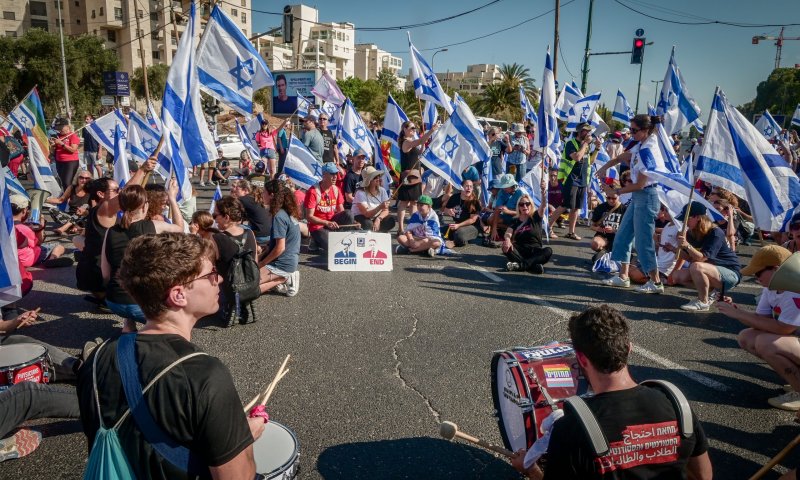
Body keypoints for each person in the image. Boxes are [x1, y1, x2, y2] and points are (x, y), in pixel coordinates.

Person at [78, 233, 264, 480]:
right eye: (210, 274)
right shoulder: (204, 376)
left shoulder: (97, 357)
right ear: (179, 295)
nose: (219, 279)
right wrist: (243, 437)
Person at [511, 305, 712, 480]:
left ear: (582, 359)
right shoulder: (676, 404)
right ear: (629, 348)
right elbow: (703, 476)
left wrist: (531, 470)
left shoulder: (570, 428)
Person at [718, 246, 800, 411]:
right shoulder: (770, 288)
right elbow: (761, 320)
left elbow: (784, 329)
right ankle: (796, 379)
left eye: (758, 273)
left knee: (766, 343)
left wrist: (739, 314)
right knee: (746, 337)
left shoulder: (794, 292)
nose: (756, 278)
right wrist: (736, 310)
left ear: (776, 269)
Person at [596, 115, 667, 294]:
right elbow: (623, 156)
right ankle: (623, 277)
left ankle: (656, 282)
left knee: (643, 242)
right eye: (631, 129)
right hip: (639, 196)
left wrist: (616, 191)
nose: (631, 133)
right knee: (623, 235)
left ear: (646, 130)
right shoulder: (642, 144)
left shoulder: (647, 150)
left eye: (634, 130)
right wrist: (605, 166)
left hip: (647, 196)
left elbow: (641, 184)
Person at [101, 183, 184, 331]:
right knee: (175, 321)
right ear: (144, 206)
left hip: (114, 302)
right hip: (142, 306)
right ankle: (150, 335)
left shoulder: (110, 231)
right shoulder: (155, 226)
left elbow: (105, 274)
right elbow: (180, 230)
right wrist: (172, 198)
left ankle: (128, 326)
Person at [669, 201, 741, 311]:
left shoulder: (715, 232)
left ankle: (703, 301)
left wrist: (687, 246)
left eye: (686, 219)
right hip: (712, 270)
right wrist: (674, 249)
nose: (684, 222)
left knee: (696, 266)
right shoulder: (691, 233)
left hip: (729, 272)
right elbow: (690, 258)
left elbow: (701, 258)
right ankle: (714, 293)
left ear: (697, 217)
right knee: (678, 276)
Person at [211, 196, 258, 325]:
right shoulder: (250, 233)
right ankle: (243, 301)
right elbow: (255, 260)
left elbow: (211, 266)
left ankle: (227, 303)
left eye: (215, 215)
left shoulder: (216, 238)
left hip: (229, 286)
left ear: (226, 217)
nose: (214, 219)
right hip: (251, 281)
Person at [550, 123, 594, 240]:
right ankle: (548, 227)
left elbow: (590, 161)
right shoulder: (571, 143)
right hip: (571, 179)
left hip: (583, 179)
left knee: (576, 207)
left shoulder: (585, 145)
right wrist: (585, 144)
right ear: (579, 132)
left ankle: (571, 232)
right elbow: (577, 157)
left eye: (589, 131)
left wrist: (597, 148)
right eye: (586, 131)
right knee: (565, 205)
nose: (588, 133)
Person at [258, 180, 301, 296]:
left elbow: (280, 248)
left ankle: (284, 278)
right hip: (289, 260)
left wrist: (262, 263)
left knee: (247, 288)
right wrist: (261, 256)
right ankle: (278, 279)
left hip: (282, 263)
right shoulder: (287, 211)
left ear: (272, 195)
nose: (262, 194)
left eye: (264, 192)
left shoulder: (279, 216)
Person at [11, 194, 73, 269]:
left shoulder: (5, 226)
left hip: (11, 258)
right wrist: (40, 228)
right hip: (27, 259)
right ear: (24, 211)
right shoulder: (25, 229)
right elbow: (38, 242)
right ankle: (52, 259)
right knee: (59, 246)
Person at [397, 120, 438, 232]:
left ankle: (413, 226)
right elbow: (420, 141)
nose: (414, 130)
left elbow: (419, 152)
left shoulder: (411, 142)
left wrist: (423, 145)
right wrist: (431, 131)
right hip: (408, 176)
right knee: (404, 202)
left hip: (415, 175)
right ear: (405, 129)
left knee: (414, 202)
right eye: (412, 128)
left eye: (415, 128)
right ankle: (400, 228)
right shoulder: (405, 142)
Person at [502, 182, 552, 274]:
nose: (524, 206)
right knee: (505, 246)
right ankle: (533, 266)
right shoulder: (515, 220)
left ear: (531, 205)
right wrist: (508, 240)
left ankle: (520, 266)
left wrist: (543, 193)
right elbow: (508, 232)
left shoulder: (536, 216)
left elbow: (543, 205)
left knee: (548, 251)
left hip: (535, 251)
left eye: (527, 204)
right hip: (520, 250)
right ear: (518, 207)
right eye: (521, 204)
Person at [304, 162, 354, 251]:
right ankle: (315, 240)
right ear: (324, 175)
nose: (335, 176)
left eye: (336, 174)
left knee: (349, 214)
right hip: (317, 226)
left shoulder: (336, 189)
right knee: (333, 247)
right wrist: (326, 223)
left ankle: (339, 238)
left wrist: (353, 222)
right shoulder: (313, 191)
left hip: (331, 223)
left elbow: (342, 212)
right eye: (332, 174)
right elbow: (309, 217)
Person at [629, 205, 679, 285]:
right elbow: (660, 244)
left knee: (634, 275)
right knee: (630, 270)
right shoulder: (667, 225)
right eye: (664, 210)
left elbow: (682, 255)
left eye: (666, 211)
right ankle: (656, 280)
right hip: (657, 261)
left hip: (665, 266)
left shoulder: (679, 229)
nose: (664, 212)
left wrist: (674, 272)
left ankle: (660, 281)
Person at [46, 168, 92, 235]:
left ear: (90, 180)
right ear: (77, 178)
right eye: (81, 177)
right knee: (52, 210)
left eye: (87, 178)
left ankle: (64, 228)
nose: (84, 180)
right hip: (71, 216)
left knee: (84, 207)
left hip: (84, 216)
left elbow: (94, 208)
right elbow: (60, 200)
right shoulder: (71, 188)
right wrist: (44, 200)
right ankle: (75, 227)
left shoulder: (91, 190)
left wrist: (85, 212)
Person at [352, 166, 395, 232]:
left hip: (375, 216)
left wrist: (379, 219)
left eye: (378, 176)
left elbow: (386, 210)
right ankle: (373, 232)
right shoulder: (360, 193)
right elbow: (366, 214)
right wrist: (380, 207)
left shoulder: (382, 190)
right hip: (361, 217)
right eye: (375, 177)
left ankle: (377, 231)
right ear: (368, 181)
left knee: (391, 220)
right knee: (368, 224)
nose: (378, 179)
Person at [589, 186, 626, 259]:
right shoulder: (600, 208)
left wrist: (614, 230)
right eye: (608, 198)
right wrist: (597, 229)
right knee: (594, 243)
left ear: (619, 196)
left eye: (614, 198)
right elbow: (592, 226)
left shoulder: (624, 209)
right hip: (603, 236)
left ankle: (609, 252)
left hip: (618, 237)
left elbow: (628, 230)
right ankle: (604, 251)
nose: (611, 200)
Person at [230, 179, 271, 245]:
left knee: (231, 226)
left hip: (260, 236)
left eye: (237, 188)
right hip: (269, 234)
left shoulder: (243, 199)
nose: (234, 190)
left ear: (245, 190)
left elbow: (229, 210)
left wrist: (232, 196)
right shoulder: (255, 198)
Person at [442, 179, 481, 247]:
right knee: (440, 230)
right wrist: (449, 211)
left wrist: (459, 225)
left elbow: (472, 220)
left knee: (459, 234)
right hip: (457, 224)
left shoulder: (475, 201)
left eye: (471, 186)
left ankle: (454, 243)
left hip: (472, 226)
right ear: (461, 187)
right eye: (467, 186)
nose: (469, 188)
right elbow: (445, 210)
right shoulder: (454, 197)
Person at [489, 174, 524, 245]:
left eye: (506, 187)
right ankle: (508, 230)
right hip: (506, 217)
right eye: (503, 187)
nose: (504, 189)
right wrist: (494, 229)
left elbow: (523, 212)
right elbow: (497, 210)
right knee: (490, 220)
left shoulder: (520, 193)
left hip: (517, 217)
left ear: (512, 186)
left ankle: (512, 231)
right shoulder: (502, 192)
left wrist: (508, 211)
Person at [51, 122, 81, 189]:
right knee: (62, 181)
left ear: (67, 127)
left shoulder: (73, 136)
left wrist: (62, 144)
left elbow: (73, 150)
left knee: (67, 182)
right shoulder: (57, 136)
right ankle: (65, 194)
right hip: (59, 161)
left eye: (61, 127)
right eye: (58, 127)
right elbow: (53, 151)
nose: (59, 129)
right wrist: (53, 145)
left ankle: (70, 195)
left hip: (70, 162)